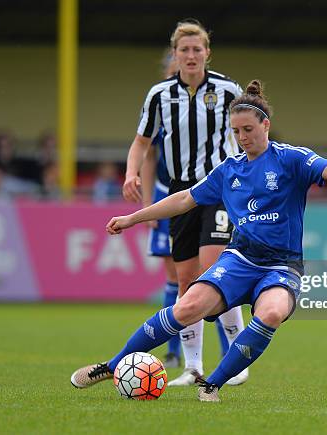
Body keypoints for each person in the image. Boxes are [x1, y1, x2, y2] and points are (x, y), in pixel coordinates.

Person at [71, 80, 327, 402]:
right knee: (187, 306)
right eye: (236, 131)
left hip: (280, 266)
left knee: (272, 313)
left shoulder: (290, 158)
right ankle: (112, 365)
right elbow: (184, 200)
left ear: (266, 125)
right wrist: (133, 218)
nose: (242, 137)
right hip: (239, 259)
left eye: (248, 129)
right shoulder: (229, 169)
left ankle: (212, 384)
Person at [121, 20, 247, 386]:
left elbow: (250, 130)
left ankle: (237, 359)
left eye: (197, 50)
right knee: (185, 280)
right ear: (175, 55)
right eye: (184, 50)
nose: (190, 56)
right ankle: (193, 367)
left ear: (207, 53)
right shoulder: (159, 94)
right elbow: (141, 143)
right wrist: (132, 174)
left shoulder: (227, 90)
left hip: (221, 187)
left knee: (214, 272)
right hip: (181, 193)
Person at [141, 51, 232, 369]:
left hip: (207, 191)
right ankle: (180, 356)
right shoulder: (161, 103)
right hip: (171, 196)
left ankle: (230, 353)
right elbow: (147, 155)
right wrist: (147, 204)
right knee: (179, 278)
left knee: (212, 276)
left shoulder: (216, 98)